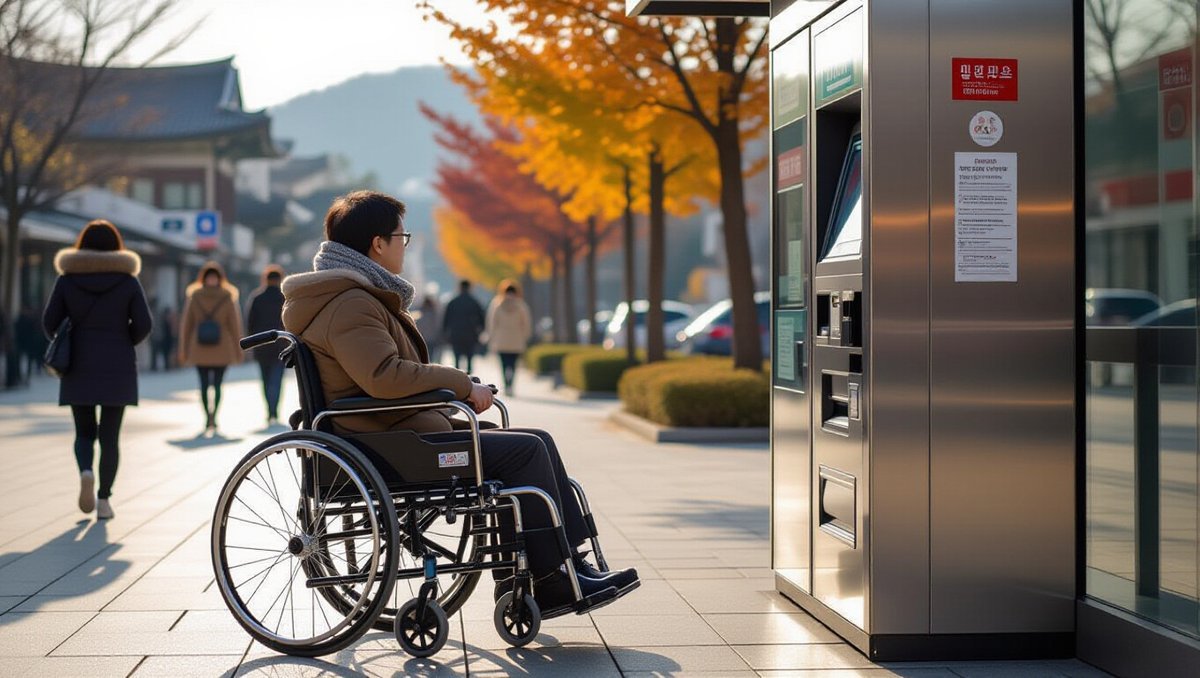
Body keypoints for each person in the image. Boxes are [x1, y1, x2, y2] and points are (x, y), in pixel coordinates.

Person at [280, 190, 638, 617]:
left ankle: (555, 567)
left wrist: (457, 385)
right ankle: (549, 578)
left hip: (398, 434)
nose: (403, 244)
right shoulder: (351, 303)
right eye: (401, 236)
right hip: (390, 445)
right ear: (378, 243)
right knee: (525, 451)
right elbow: (384, 376)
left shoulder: (352, 297)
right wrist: (459, 384)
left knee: (532, 439)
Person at [42, 220, 152, 520]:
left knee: (84, 432)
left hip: (78, 363)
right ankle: (104, 500)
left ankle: (86, 471)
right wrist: (122, 340)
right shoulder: (128, 281)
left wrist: (72, 336)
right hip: (117, 364)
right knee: (110, 437)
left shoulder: (66, 279)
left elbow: (49, 321)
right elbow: (144, 324)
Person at [179, 261, 242, 436]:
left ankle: (212, 416)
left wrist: (240, 349)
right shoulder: (226, 296)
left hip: (203, 347)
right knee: (206, 385)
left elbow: (235, 326)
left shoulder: (195, 296)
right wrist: (182, 349)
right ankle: (209, 416)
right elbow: (187, 325)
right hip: (218, 347)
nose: (212, 280)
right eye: (210, 278)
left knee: (216, 385)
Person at [245, 264, 287, 426]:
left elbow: (250, 323)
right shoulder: (285, 297)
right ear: (280, 280)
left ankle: (269, 411)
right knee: (276, 380)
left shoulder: (257, 297)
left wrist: (250, 344)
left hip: (261, 346)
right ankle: (274, 411)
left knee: (265, 379)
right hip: (281, 345)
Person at [486, 280, 532, 396]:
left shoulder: (497, 304)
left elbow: (492, 322)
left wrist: (491, 336)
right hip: (516, 340)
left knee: (503, 364)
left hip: (501, 339)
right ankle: (511, 384)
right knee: (513, 364)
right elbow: (526, 323)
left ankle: (506, 384)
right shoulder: (521, 305)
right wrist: (525, 336)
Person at [443, 279, 485, 373]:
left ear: (459, 288)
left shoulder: (453, 302)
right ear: (470, 288)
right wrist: (481, 331)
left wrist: (445, 332)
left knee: (457, 358)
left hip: (456, 334)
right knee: (470, 357)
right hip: (471, 334)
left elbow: (446, 319)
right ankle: (469, 377)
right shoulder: (474, 302)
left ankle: (458, 377)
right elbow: (482, 319)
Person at [414, 295, 443, 364]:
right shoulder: (434, 313)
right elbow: (437, 325)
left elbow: (417, 325)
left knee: (425, 355)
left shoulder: (419, 313)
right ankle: (429, 366)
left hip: (423, 337)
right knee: (430, 355)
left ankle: (427, 366)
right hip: (431, 337)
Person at [154, 306, 177, 371]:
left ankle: (168, 365)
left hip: (167, 340)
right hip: (164, 340)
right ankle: (166, 366)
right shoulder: (164, 322)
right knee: (165, 354)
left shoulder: (169, 321)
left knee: (167, 354)